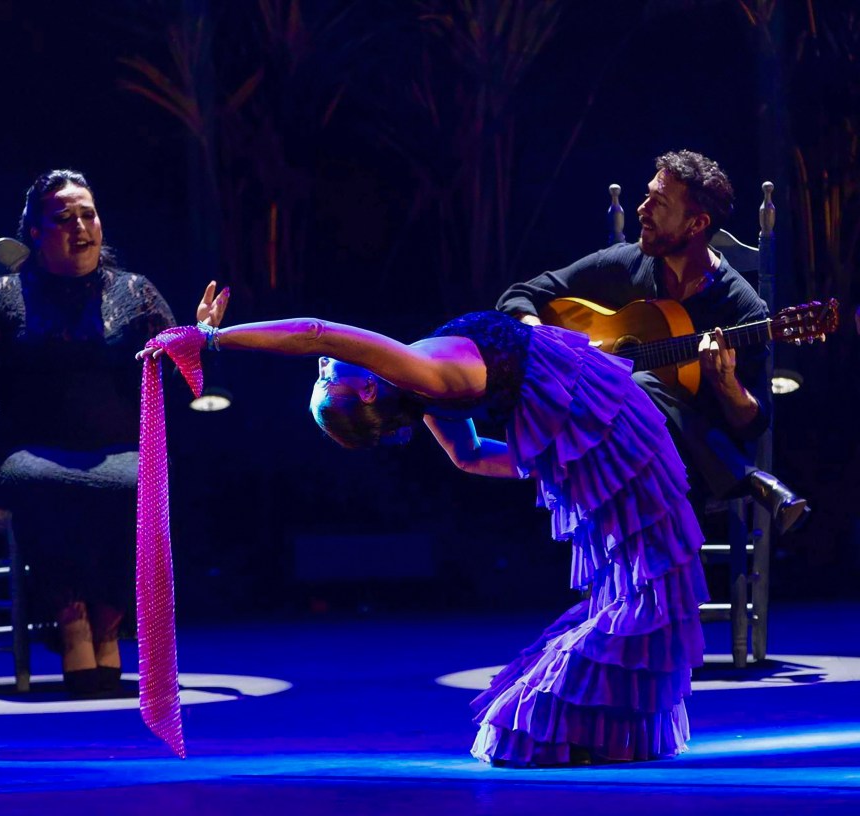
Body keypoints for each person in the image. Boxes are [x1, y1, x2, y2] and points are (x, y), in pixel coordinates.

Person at [142, 301, 708, 765]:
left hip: (593, 418)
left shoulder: (420, 389)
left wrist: (561, 459)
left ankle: (597, 723)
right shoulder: (422, 376)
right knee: (652, 583)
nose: (324, 366)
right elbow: (317, 332)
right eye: (327, 378)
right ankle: (576, 719)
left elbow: (469, 455)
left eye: (320, 376)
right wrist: (213, 339)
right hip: (601, 421)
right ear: (367, 391)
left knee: (648, 581)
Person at [0, 169, 198, 698]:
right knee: (48, 484)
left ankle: (108, 620)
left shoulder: (136, 293)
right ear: (35, 232)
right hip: (22, 453)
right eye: (64, 218)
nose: (81, 227)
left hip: (115, 450)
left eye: (88, 215)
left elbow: (180, 384)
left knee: (141, 484)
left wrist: (198, 342)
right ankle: (70, 618)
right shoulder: (6, 295)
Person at [496, 149, 808, 534]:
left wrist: (726, 384)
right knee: (629, 388)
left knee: (639, 385)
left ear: (697, 223)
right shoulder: (625, 264)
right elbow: (520, 295)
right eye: (647, 196)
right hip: (614, 449)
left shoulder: (742, 308)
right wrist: (548, 338)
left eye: (658, 203)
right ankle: (748, 479)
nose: (642, 209)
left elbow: (753, 424)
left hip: (687, 466)